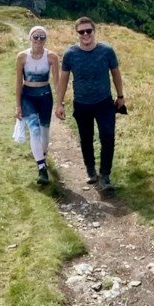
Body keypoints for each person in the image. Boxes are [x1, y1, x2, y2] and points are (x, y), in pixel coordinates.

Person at [55, 16, 126, 195]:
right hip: (82, 104)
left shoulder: (107, 51)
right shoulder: (70, 54)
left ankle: (105, 175)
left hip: (104, 103)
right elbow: (63, 80)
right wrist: (60, 103)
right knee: (86, 139)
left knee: (108, 137)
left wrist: (120, 96)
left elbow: (116, 74)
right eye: (81, 32)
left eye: (88, 31)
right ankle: (90, 169)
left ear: (94, 31)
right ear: (77, 33)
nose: (85, 34)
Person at [16, 25, 60, 185]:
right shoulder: (22, 57)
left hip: (45, 97)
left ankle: (43, 155)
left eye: (42, 37)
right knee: (34, 131)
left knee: (44, 131)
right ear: (30, 38)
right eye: (36, 37)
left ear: (46, 39)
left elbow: (56, 82)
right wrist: (17, 105)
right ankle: (41, 168)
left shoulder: (52, 57)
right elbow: (18, 82)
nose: (39, 40)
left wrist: (60, 103)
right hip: (28, 96)